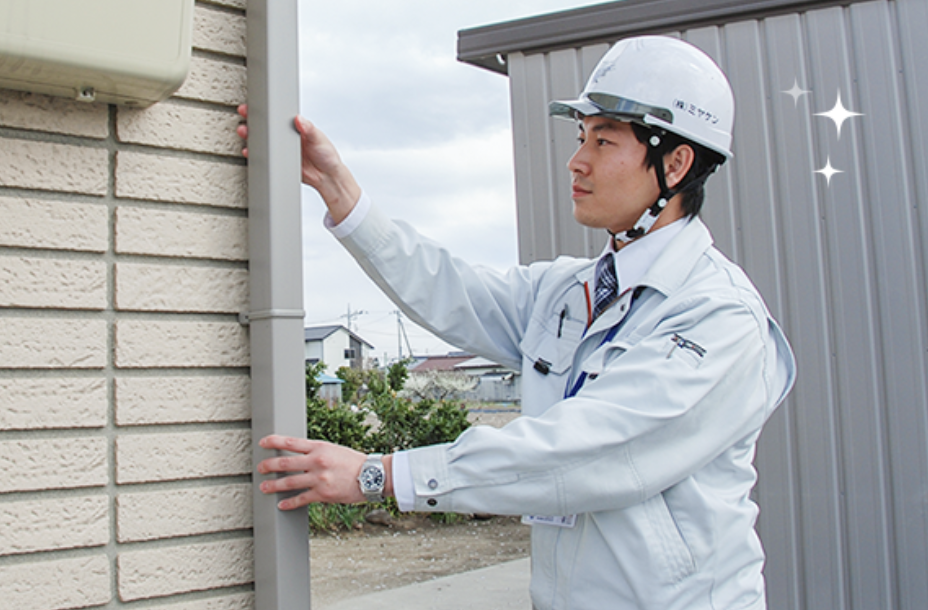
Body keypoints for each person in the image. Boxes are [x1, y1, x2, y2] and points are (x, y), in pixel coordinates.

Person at [245, 35, 796, 610]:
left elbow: (581, 452)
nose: (576, 161)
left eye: (603, 141)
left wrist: (380, 476)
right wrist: (339, 190)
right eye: (581, 137)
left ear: (675, 163)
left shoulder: (716, 317)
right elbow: (451, 289)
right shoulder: (570, 291)